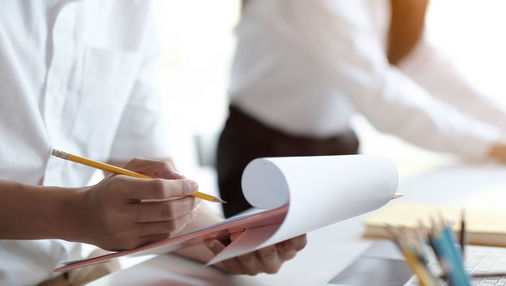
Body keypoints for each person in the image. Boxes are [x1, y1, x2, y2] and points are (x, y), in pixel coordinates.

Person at [0, 1, 306, 285]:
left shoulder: (131, 10)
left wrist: (227, 241)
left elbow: (153, 188)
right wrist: (70, 214)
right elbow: (84, 213)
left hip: (78, 268)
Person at [217, 0, 506, 217]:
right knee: (274, 272)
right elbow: (379, 95)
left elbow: (420, 60)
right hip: (267, 154)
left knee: (342, 263)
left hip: (336, 149)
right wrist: (494, 146)